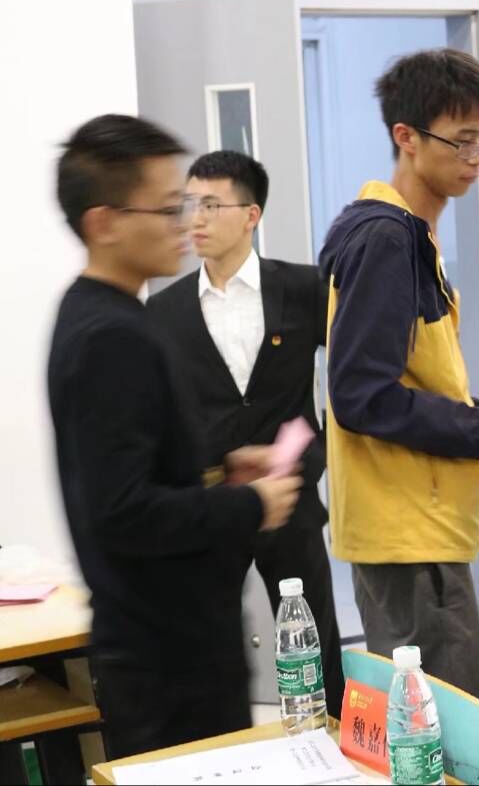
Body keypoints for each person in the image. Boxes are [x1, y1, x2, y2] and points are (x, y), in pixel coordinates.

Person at [47, 115, 300, 757]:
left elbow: (134, 463)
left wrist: (218, 466)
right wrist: (248, 504)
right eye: (166, 210)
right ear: (104, 223)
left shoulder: (103, 314)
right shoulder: (112, 337)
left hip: (169, 647)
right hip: (167, 664)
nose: (184, 224)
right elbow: (123, 512)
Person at [318, 49, 479, 703]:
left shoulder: (404, 233)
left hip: (414, 526)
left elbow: (411, 378)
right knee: (445, 736)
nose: (476, 157)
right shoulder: (387, 239)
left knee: (435, 726)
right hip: (407, 533)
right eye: (461, 140)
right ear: (406, 137)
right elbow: (361, 396)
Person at [146, 150, 344, 709]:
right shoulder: (164, 311)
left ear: (251, 215)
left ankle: (332, 738)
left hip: (291, 495)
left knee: (317, 644)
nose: (196, 219)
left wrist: (323, 450)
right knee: (210, 649)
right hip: (213, 500)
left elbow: (355, 369)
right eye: (190, 205)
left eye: (212, 205)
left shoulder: (304, 288)